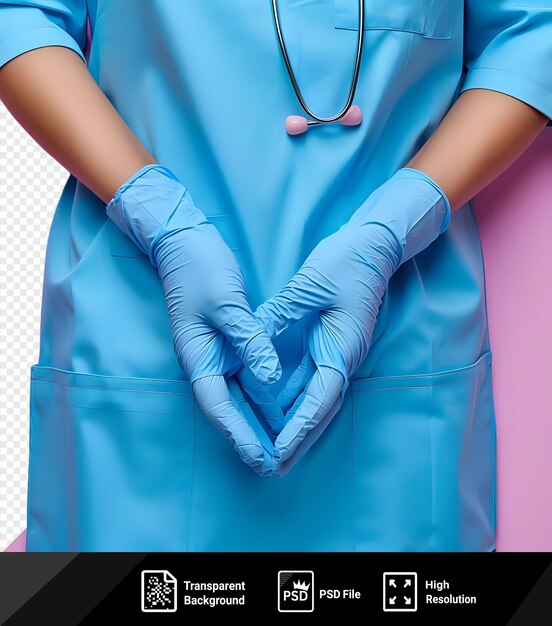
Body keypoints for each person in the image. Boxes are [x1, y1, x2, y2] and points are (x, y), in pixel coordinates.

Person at [0, 1, 550, 552]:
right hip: (140, 332)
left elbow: (533, 32)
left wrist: (397, 223)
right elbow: (19, 15)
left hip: (400, 336)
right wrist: (157, 215)